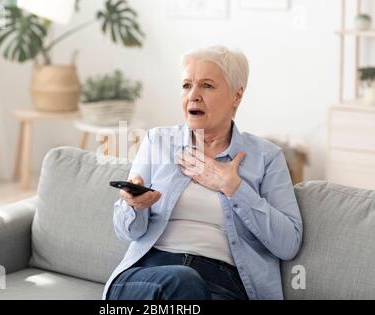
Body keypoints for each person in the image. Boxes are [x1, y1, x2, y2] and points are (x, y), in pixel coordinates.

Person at [103, 45, 303, 300]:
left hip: (222, 284)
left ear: (236, 96)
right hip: (149, 275)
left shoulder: (267, 157)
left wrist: (233, 187)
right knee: (181, 281)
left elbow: (288, 244)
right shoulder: (157, 141)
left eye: (207, 86)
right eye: (187, 85)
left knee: (189, 288)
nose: (193, 95)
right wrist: (135, 207)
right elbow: (126, 232)